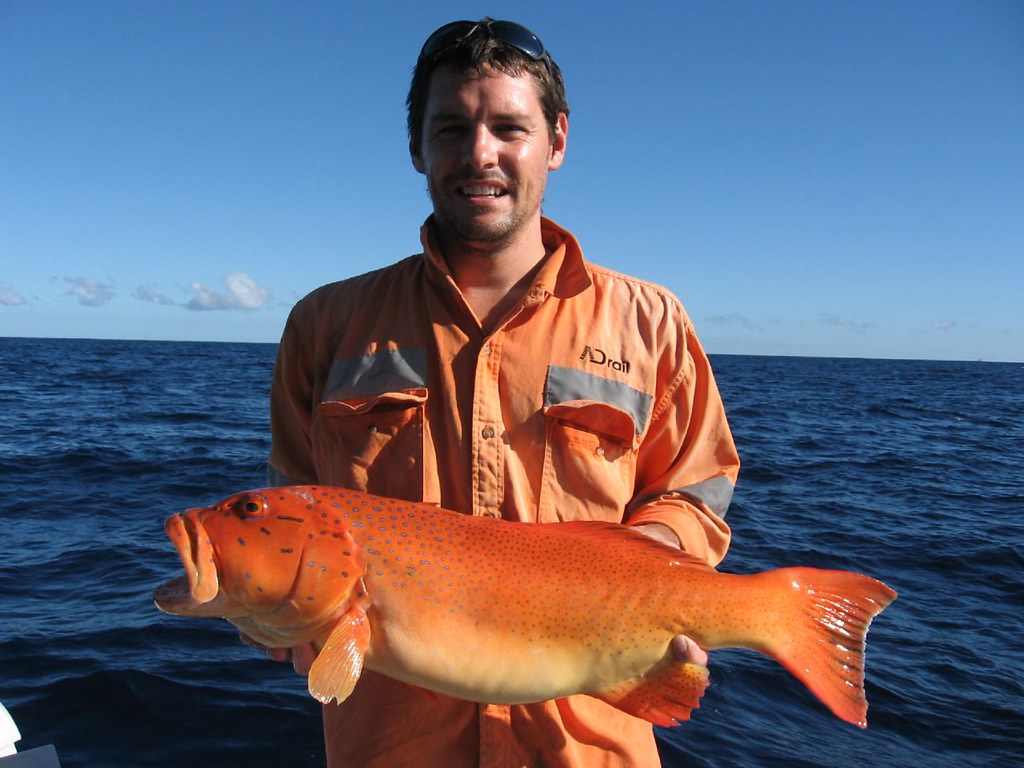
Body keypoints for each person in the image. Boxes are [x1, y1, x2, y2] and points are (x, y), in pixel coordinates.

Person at [253, 17, 739, 768]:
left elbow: (696, 491)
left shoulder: (653, 322)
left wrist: (643, 574)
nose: (480, 153)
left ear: (558, 141)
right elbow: (292, 506)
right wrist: (269, 605)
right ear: (417, 146)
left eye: (509, 127)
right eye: (451, 129)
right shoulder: (325, 325)